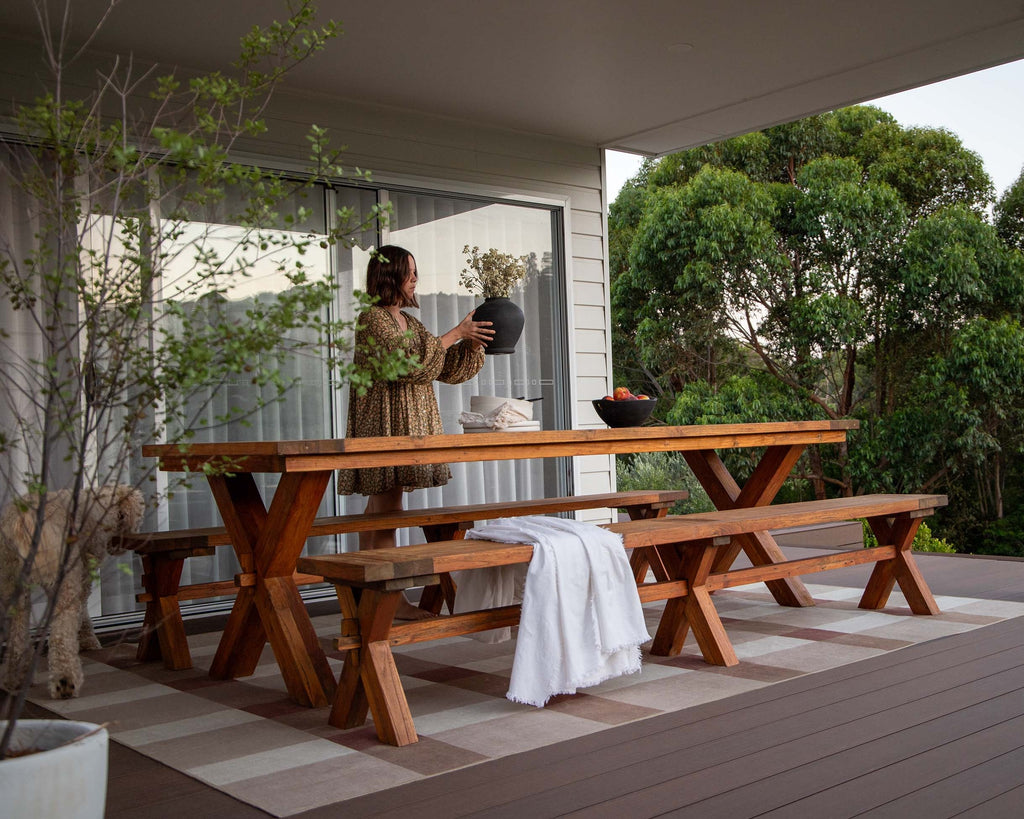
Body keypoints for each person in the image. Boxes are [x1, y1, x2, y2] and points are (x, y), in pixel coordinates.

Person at [337, 245, 494, 619]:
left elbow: (442, 368)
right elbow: (406, 363)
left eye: (415, 271)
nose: (414, 278)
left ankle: (366, 595)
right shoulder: (372, 319)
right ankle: (388, 602)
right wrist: (455, 333)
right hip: (383, 423)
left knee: (380, 509)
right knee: (387, 511)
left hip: (407, 425)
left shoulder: (410, 322)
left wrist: (470, 342)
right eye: (408, 271)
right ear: (389, 275)